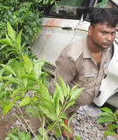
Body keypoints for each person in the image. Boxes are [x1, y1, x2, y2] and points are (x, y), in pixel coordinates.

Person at [49, 8, 117, 138]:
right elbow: (56, 91)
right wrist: (63, 120)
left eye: (113, 33)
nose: (109, 38)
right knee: (47, 132)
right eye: (104, 33)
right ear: (91, 31)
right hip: (60, 109)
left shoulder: (107, 49)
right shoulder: (73, 56)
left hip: (75, 106)